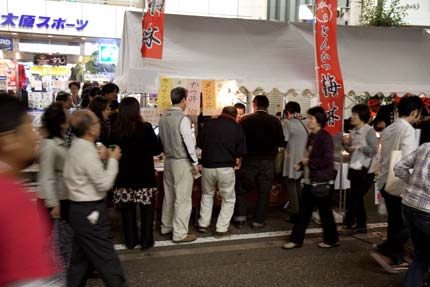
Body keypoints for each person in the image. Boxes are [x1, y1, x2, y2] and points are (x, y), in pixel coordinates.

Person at [0, 95, 62, 286]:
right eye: (29, 127)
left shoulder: (12, 189)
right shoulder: (8, 199)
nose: (36, 136)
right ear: (9, 139)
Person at [64, 110, 126, 286]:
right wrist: (113, 159)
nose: (100, 125)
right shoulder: (87, 151)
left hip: (77, 209)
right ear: (90, 129)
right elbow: (104, 184)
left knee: (79, 260)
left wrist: (104, 158)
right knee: (107, 259)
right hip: (90, 210)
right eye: (97, 123)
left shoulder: (76, 145)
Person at [371, 95, 423, 273]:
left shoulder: (390, 128)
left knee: (394, 220)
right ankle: (396, 253)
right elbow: (408, 160)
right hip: (399, 182)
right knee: (404, 224)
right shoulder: (408, 130)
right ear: (415, 112)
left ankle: (389, 247)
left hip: (386, 180)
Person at [283, 106, 339, 250]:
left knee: (324, 213)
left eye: (310, 118)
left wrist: (309, 163)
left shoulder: (325, 137)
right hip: (310, 180)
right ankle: (297, 240)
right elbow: (309, 156)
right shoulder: (312, 135)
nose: (307, 120)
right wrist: (301, 165)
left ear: (319, 120)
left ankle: (331, 239)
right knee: (305, 212)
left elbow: (326, 160)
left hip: (320, 181)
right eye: (307, 117)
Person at [111, 97, 162, 250]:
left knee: (128, 210)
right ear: (137, 110)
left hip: (124, 177)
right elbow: (157, 149)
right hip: (144, 176)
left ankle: (131, 241)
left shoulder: (115, 129)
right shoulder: (145, 128)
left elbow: (111, 150)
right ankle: (147, 242)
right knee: (147, 210)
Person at [233, 95, 284, 228]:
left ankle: (240, 218)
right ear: (267, 106)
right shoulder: (275, 121)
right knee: (264, 191)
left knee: (242, 189)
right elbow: (281, 142)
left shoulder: (245, 120)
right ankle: (258, 221)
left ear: (254, 105)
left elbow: (238, 140)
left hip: (249, 160)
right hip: (268, 161)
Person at [196, 106, 246, 237]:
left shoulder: (209, 124)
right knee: (228, 198)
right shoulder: (237, 127)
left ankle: (203, 224)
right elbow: (240, 151)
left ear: (222, 113)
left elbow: (199, 143)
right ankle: (221, 228)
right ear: (235, 116)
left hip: (207, 167)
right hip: (226, 168)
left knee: (207, 194)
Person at [159, 87, 199, 243]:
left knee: (169, 196)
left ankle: (166, 226)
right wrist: (195, 162)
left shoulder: (163, 118)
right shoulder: (183, 119)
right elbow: (189, 143)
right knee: (182, 199)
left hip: (168, 161)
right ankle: (180, 233)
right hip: (182, 162)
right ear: (183, 99)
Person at [37, 102, 72, 267]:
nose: (69, 117)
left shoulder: (61, 139)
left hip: (62, 194)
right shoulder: (49, 145)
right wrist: (53, 204)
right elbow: (46, 176)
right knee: (53, 238)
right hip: (52, 199)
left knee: (64, 237)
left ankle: (66, 266)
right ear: (59, 121)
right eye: (66, 115)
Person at [394, 143, 430, 286]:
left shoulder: (426, 146)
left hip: (409, 205)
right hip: (427, 211)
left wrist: (413, 185)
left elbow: (399, 167)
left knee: (423, 253)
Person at [341, 104, 377, 235]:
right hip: (354, 169)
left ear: (362, 116)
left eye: (354, 115)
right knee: (353, 197)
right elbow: (349, 149)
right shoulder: (354, 130)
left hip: (366, 171)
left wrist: (358, 147)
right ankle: (351, 223)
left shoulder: (369, 131)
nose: (352, 117)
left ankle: (360, 225)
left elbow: (373, 150)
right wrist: (345, 143)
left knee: (356, 197)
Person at [282, 102, 308, 223]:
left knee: (291, 184)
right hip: (303, 158)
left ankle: (295, 213)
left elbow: (284, 140)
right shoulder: (306, 122)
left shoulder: (288, 122)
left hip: (292, 158)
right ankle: (302, 210)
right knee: (298, 184)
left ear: (287, 112)